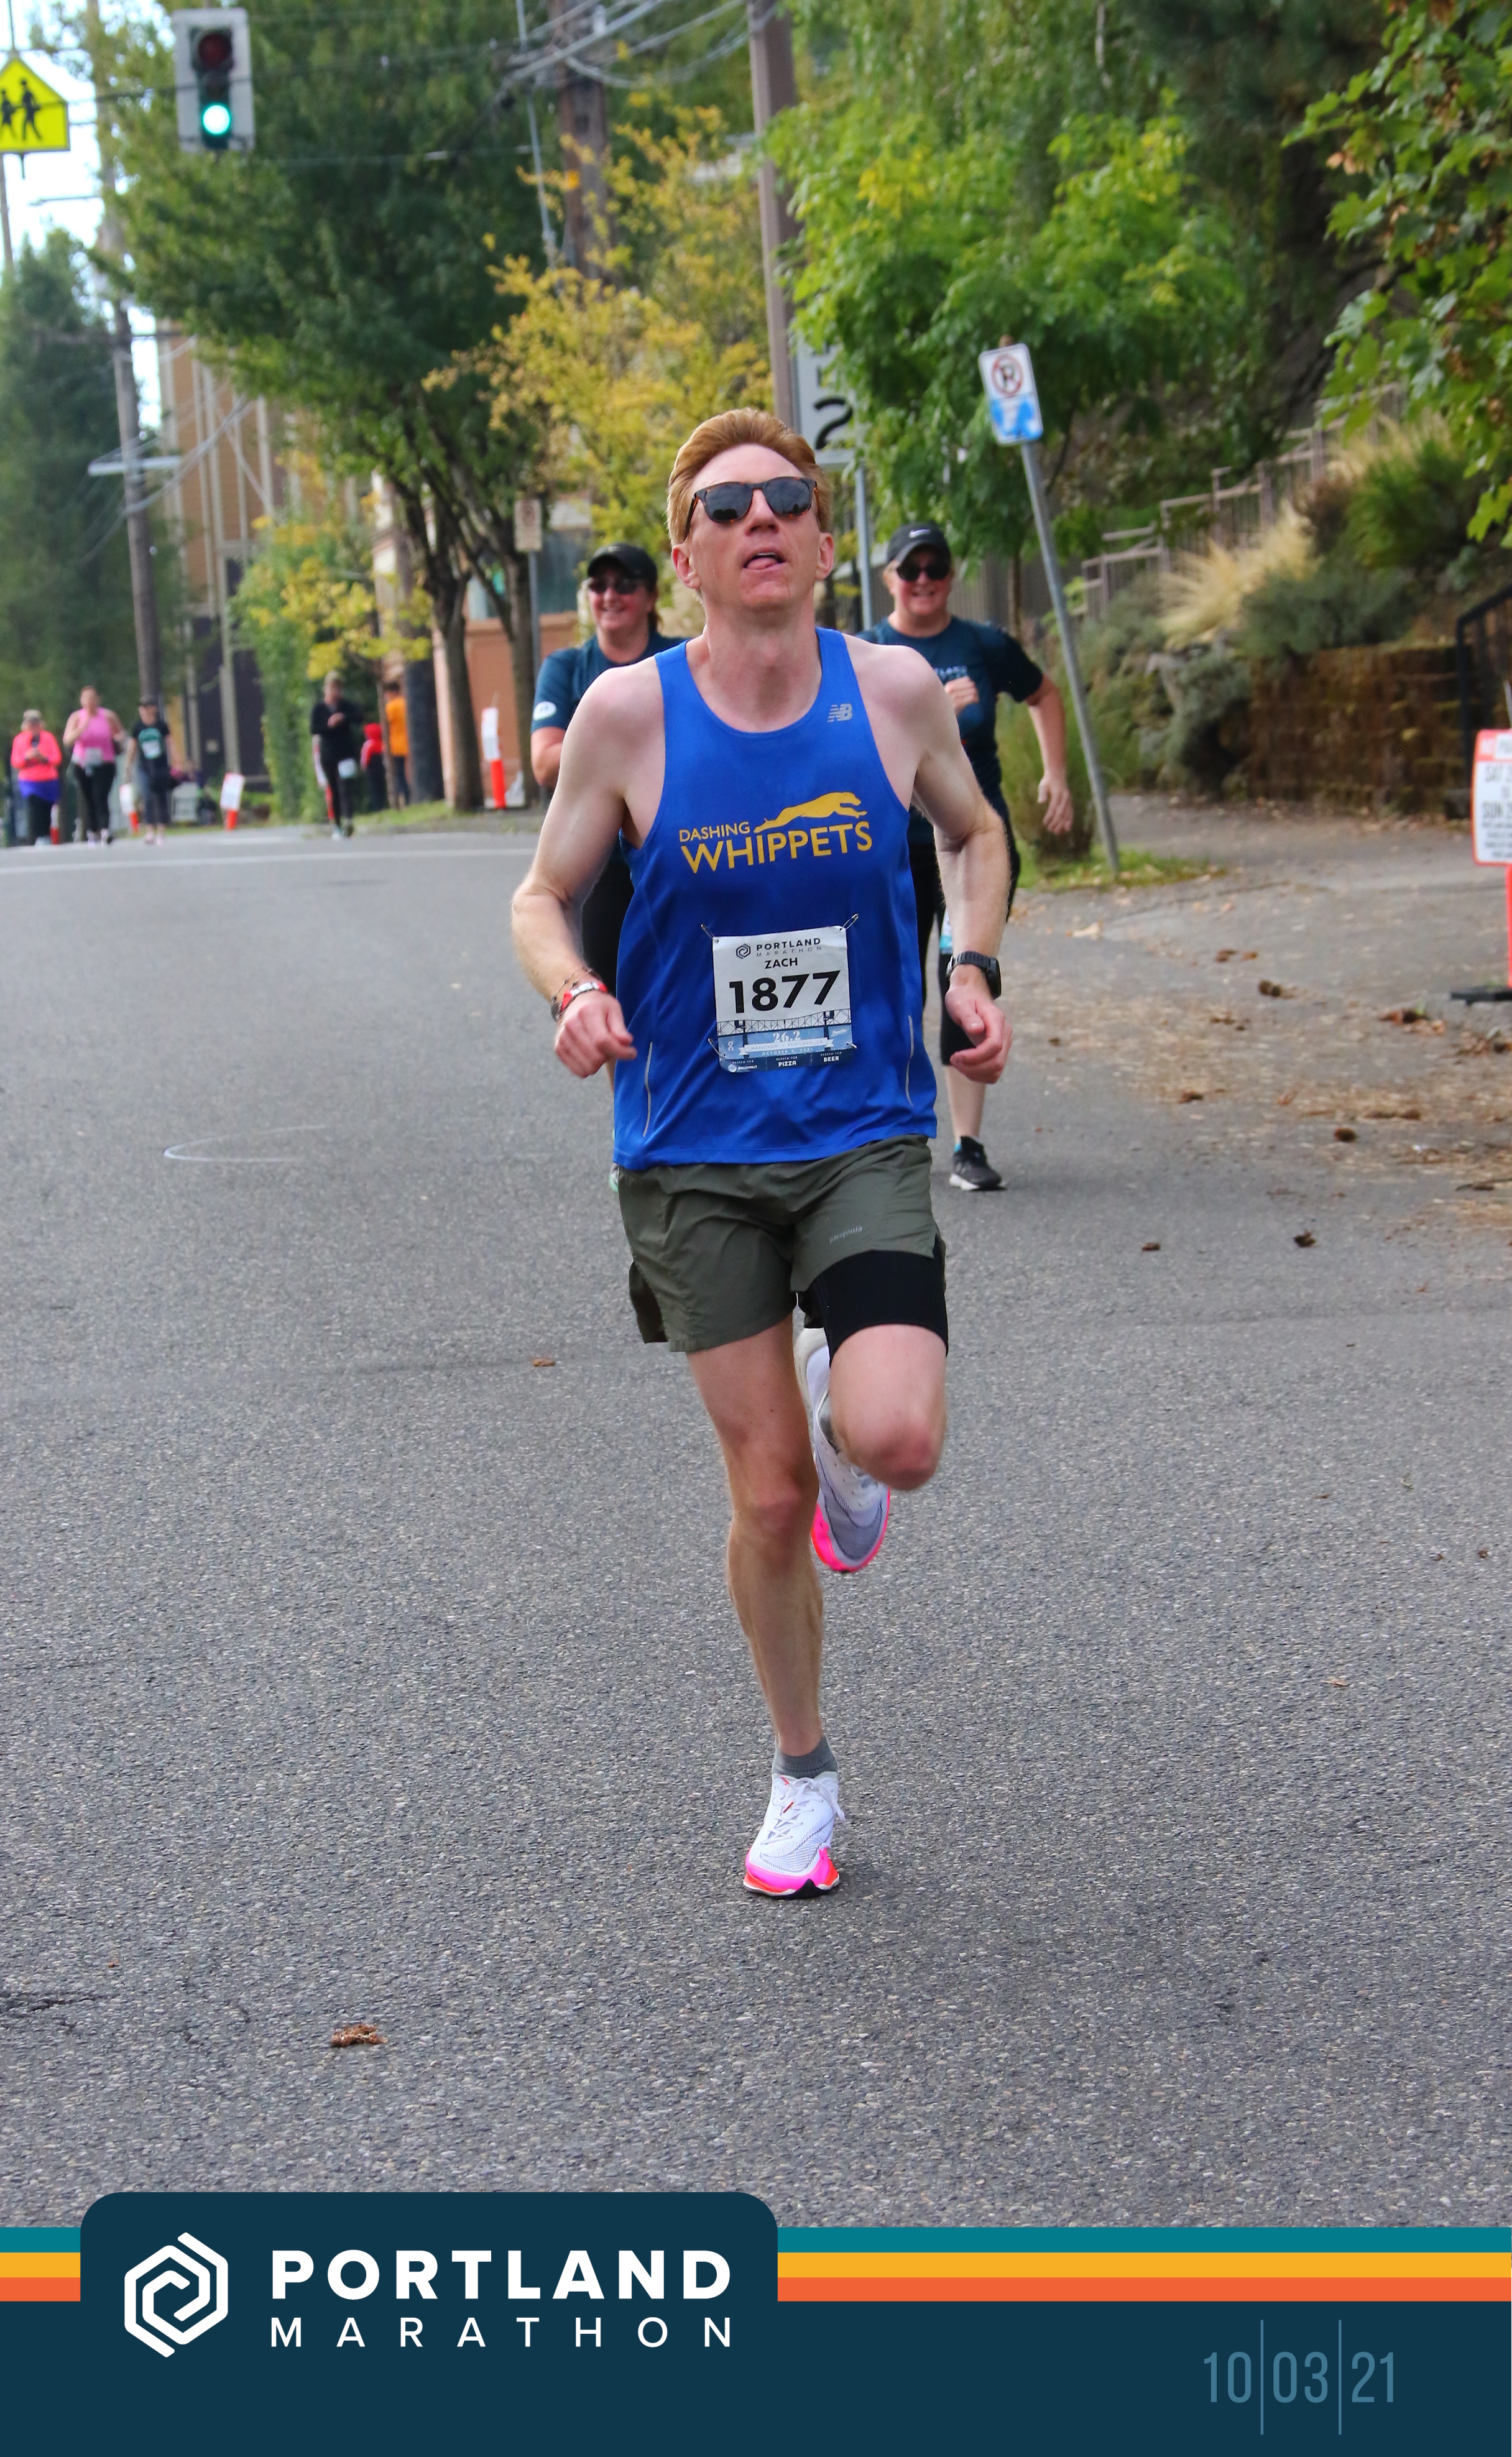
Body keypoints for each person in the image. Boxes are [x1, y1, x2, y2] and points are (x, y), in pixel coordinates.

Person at [512, 409, 1010, 1897]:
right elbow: (539, 897)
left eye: (786, 497)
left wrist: (971, 968)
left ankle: (840, 1403)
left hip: (860, 1128)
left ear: (823, 536)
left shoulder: (894, 689)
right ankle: (802, 1772)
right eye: (725, 508)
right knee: (770, 1494)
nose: (761, 520)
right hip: (690, 1150)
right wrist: (575, 990)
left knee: (897, 1436)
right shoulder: (627, 718)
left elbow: (976, 837)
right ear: (686, 560)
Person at [864, 522, 1072, 1190]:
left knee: (966, 976)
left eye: (935, 568)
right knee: (895, 987)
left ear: (951, 575)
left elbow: (1043, 693)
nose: (923, 580)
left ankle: (968, 1145)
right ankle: (893, 1136)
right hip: (891, 852)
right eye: (910, 569)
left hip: (972, 848)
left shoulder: (980, 645)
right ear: (888, 579)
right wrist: (930, 711)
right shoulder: (867, 654)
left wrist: (1056, 775)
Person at [530, 542, 676, 998]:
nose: (610, 595)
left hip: (681, 857)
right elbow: (544, 762)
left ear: (651, 597)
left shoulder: (682, 661)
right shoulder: (567, 668)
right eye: (598, 585)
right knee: (608, 1007)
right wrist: (629, 750)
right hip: (601, 866)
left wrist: (603, 754)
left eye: (625, 585)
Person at [62, 686, 127, 844]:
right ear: (82, 701)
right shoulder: (77, 717)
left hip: (104, 761)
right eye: (87, 698)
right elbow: (67, 740)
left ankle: (105, 829)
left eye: (93, 698)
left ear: (98, 699)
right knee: (88, 797)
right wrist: (81, 729)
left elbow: (121, 733)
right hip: (83, 763)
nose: (90, 701)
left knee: (101, 795)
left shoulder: (108, 716)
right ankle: (93, 830)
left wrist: (118, 738)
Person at [310, 670, 364, 837]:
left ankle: (349, 820)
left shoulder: (345, 706)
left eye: (339, 689)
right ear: (326, 689)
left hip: (346, 752)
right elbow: (314, 729)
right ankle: (338, 824)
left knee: (346, 787)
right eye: (333, 688)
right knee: (333, 789)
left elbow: (359, 716)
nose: (336, 692)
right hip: (329, 755)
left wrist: (344, 718)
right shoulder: (319, 709)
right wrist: (329, 725)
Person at [126, 697, 175, 844]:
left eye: (148, 707)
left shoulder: (161, 726)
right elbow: (132, 747)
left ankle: (161, 831)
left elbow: (170, 743)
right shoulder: (137, 727)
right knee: (147, 798)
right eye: (142, 707)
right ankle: (149, 831)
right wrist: (128, 765)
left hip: (161, 766)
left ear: (154, 708)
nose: (145, 710)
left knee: (161, 798)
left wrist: (177, 761)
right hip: (144, 767)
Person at [9, 709, 62, 844]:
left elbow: (57, 758)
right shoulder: (19, 740)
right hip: (29, 780)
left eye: (36, 723)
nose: (33, 726)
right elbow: (16, 761)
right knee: (34, 806)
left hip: (48, 779)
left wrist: (43, 758)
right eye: (30, 723)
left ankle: (46, 835)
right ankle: (39, 836)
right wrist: (27, 757)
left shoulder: (48, 738)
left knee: (46, 809)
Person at [384, 681, 409, 806]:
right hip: (406, 743)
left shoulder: (391, 707)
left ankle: (404, 797)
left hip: (395, 745)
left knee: (399, 774)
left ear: (393, 692)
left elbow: (386, 725)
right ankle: (407, 797)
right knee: (403, 772)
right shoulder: (405, 703)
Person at [361, 719, 389, 810]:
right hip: (381, 770)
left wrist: (364, 768)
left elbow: (365, 760)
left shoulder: (368, 745)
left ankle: (377, 807)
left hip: (371, 771)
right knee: (382, 788)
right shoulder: (382, 744)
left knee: (374, 789)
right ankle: (383, 805)